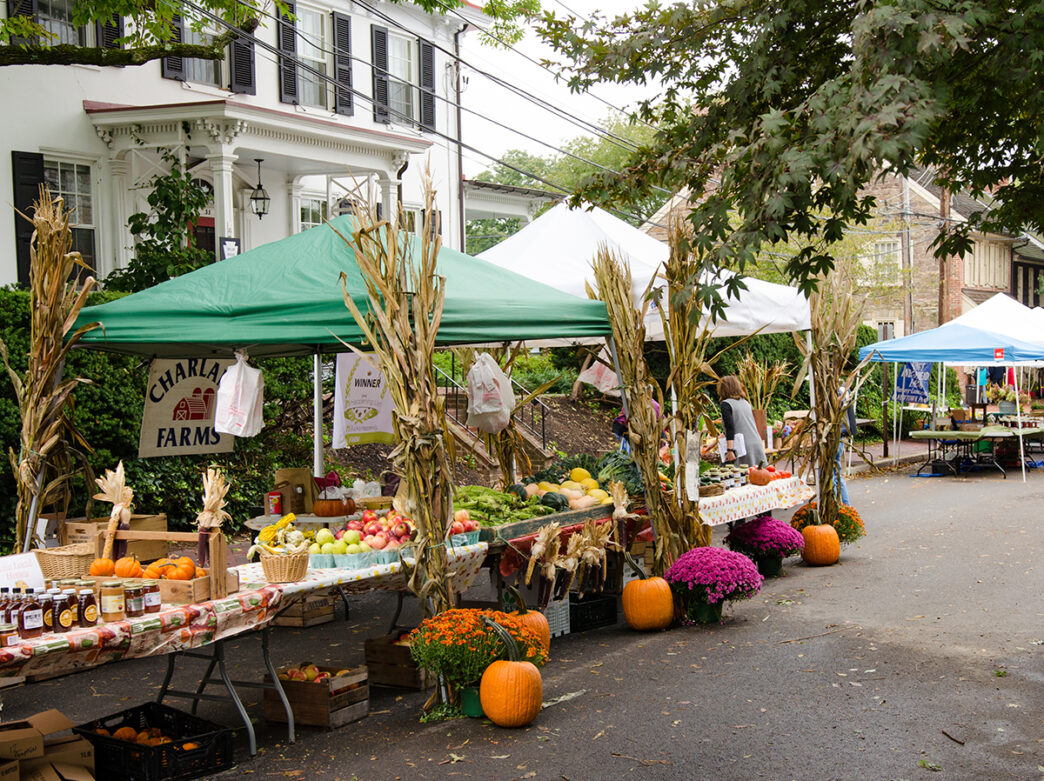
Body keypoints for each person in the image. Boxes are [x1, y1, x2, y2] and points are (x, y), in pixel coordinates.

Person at [717, 375, 766, 467]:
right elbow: (739, 425)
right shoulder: (745, 403)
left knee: (733, 476)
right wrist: (714, 443)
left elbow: (730, 428)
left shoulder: (726, 404)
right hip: (756, 444)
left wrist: (730, 451)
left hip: (743, 447)